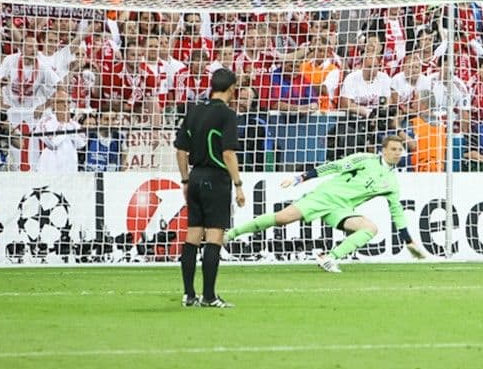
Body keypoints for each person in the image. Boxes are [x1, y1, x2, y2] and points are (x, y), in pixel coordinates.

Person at [224, 134, 428, 273]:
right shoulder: (364, 159)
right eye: (393, 149)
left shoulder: (392, 182)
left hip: (342, 209)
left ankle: (329, 257)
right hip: (324, 196)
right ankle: (231, 234)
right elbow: (333, 167)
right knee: (283, 219)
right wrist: (300, 178)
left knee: (370, 228)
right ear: (383, 150)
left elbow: (397, 212)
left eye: (400, 150)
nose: (397, 153)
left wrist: (408, 241)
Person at [173, 69, 246, 308]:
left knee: (192, 236)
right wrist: (238, 185)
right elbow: (227, 153)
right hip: (216, 179)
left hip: (195, 177)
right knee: (215, 236)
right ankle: (209, 296)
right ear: (232, 89)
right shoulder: (227, 115)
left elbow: (181, 150)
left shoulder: (194, 111)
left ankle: (188, 294)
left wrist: (185, 180)